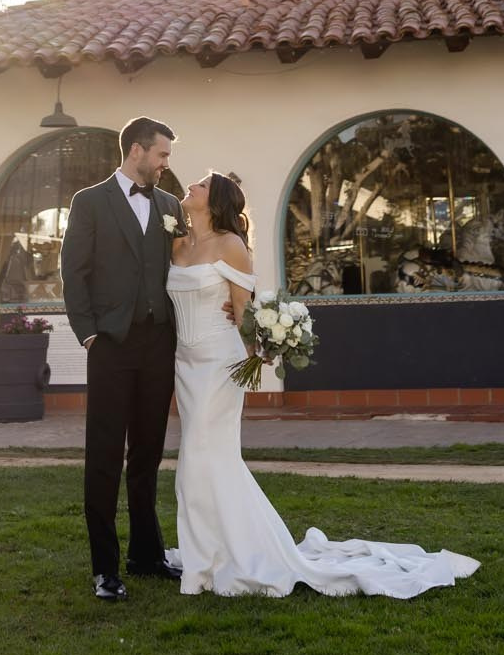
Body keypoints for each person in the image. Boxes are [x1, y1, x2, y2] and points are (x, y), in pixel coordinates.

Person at [166, 170, 480, 599]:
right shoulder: (176, 244)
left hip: (221, 362)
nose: (191, 187)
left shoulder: (233, 246)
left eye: (200, 184)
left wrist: (264, 346)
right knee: (200, 459)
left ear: (214, 199)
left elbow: (243, 311)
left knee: (202, 456)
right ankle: (209, 551)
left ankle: (212, 561)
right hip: (185, 361)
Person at [60, 116, 193, 602]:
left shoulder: (170, 205)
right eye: (161, 155)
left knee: (147, 454)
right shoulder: (89, 202)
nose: (165, 165)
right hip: (111, 346)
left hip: (158, 344)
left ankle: (145, 554)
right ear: (137, 150)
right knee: (103, 457)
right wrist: (89, 335)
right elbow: (73, 273)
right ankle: (104, 568)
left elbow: (183, 267)